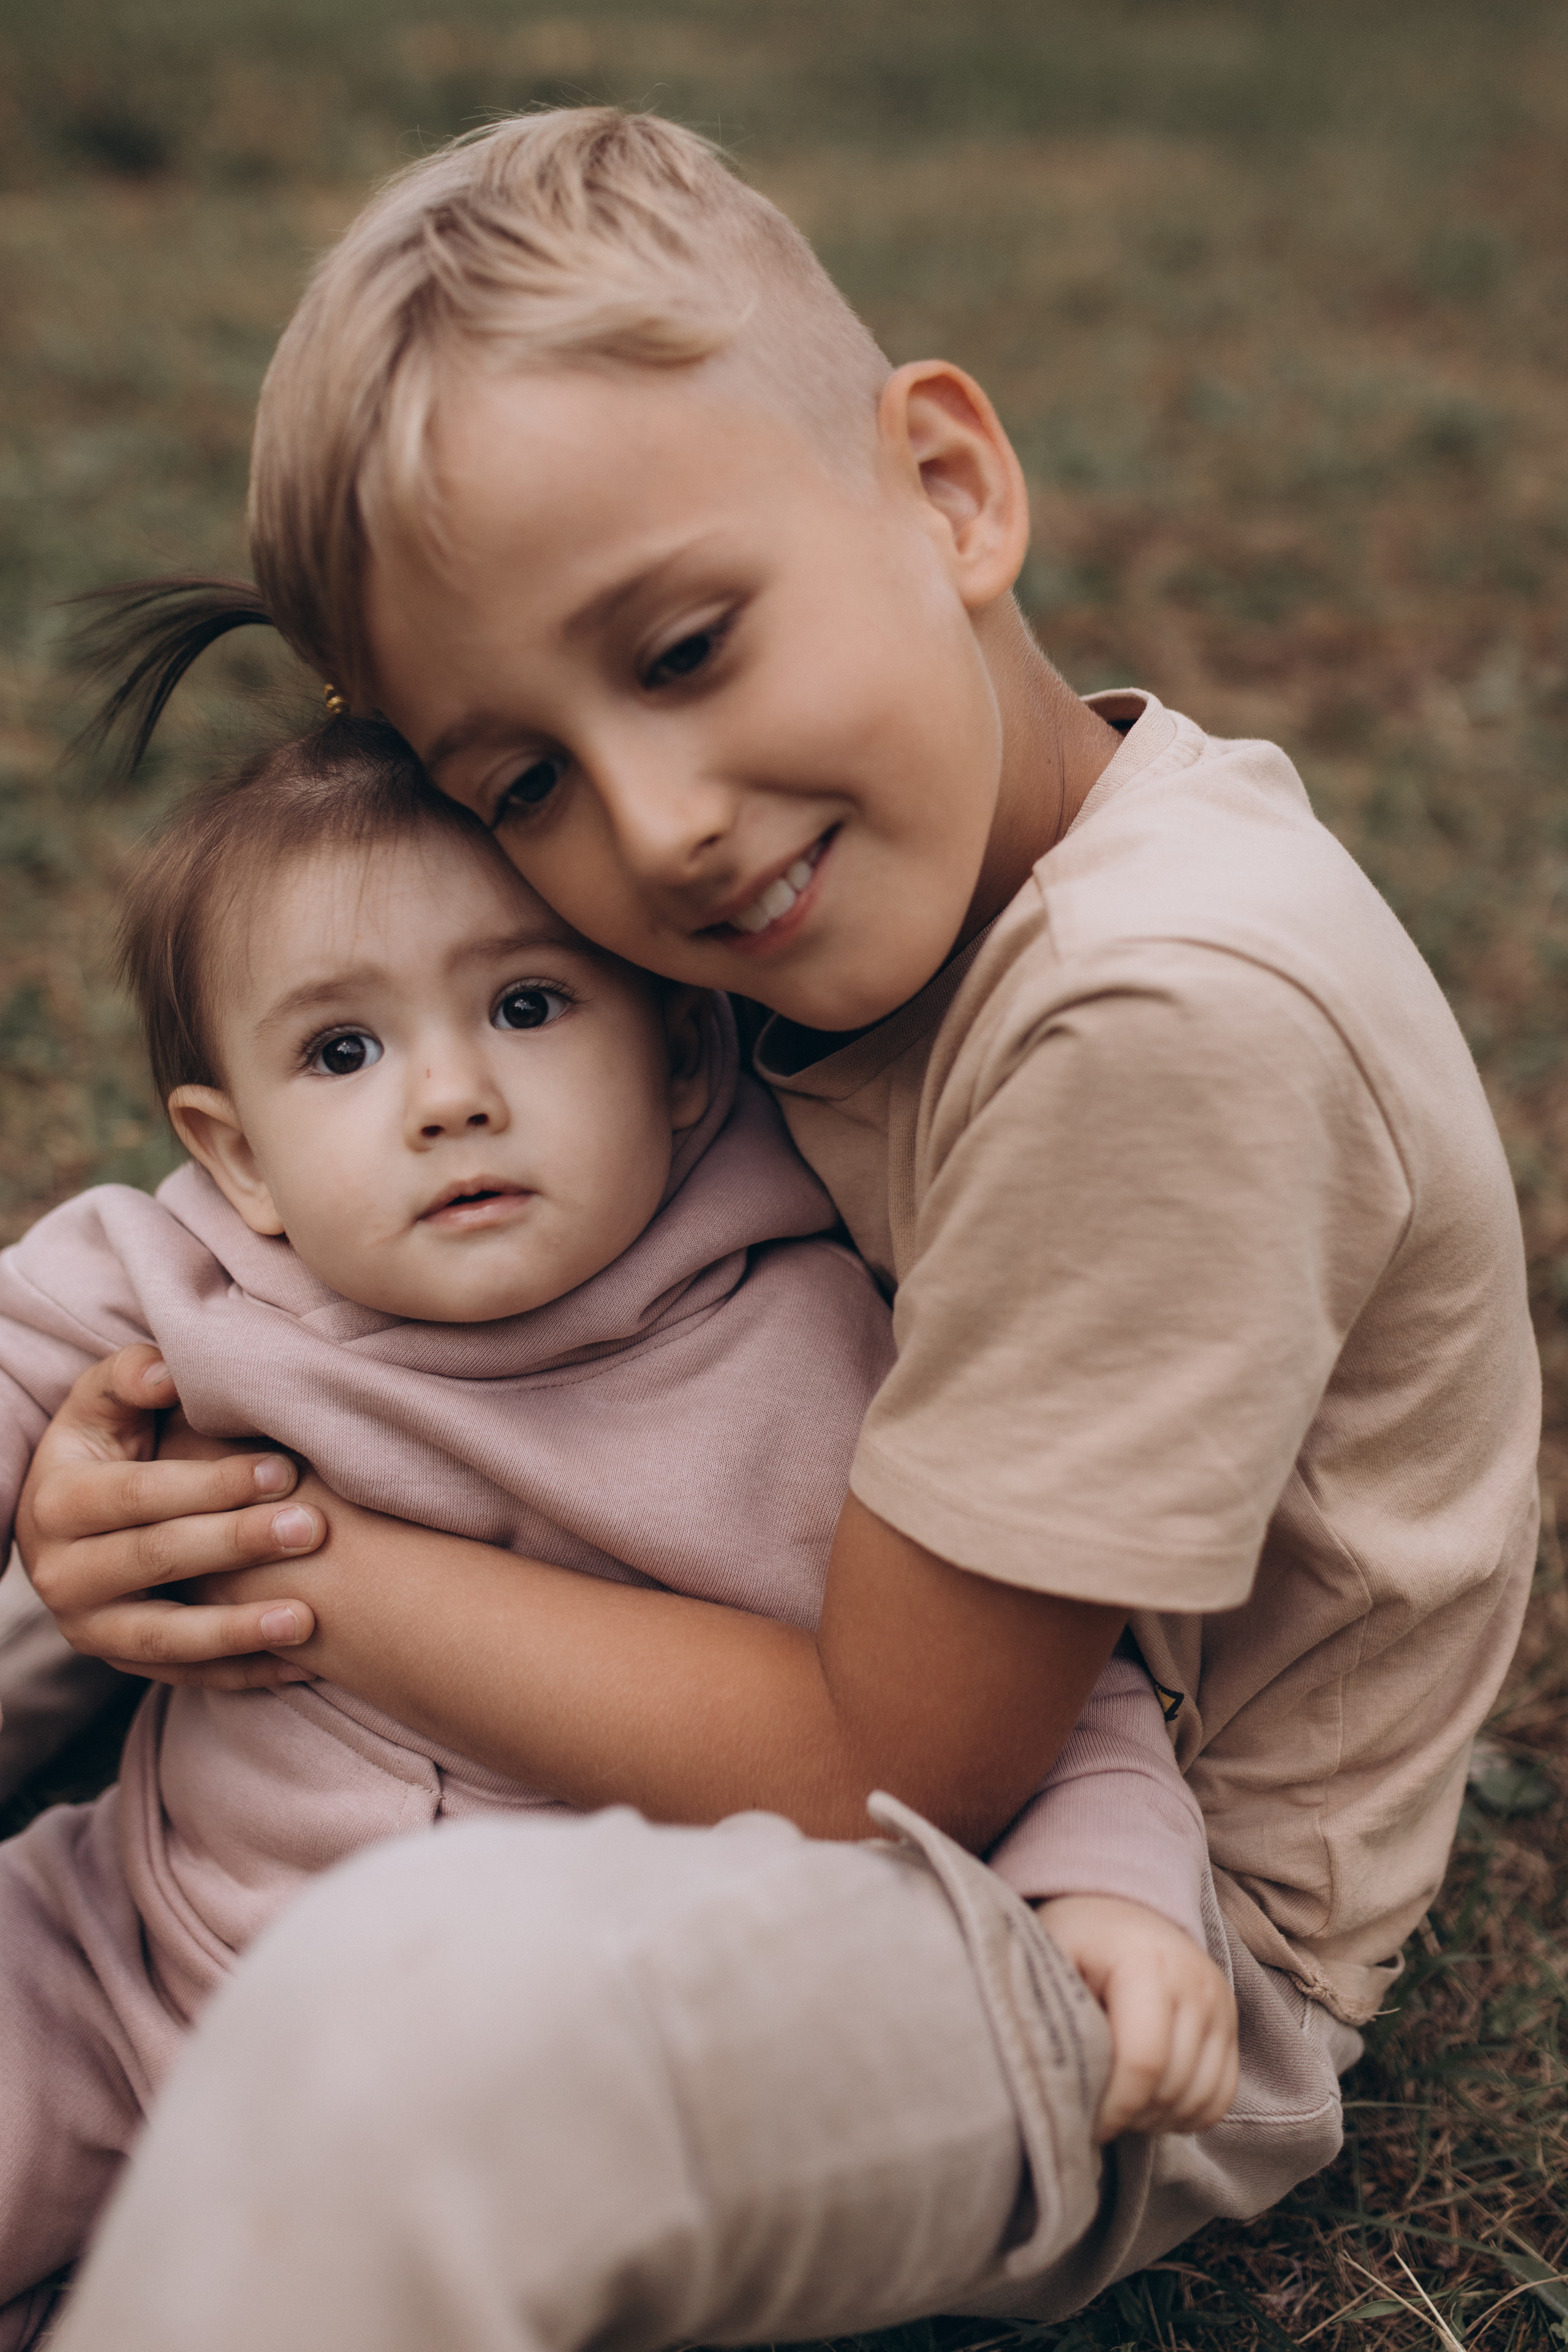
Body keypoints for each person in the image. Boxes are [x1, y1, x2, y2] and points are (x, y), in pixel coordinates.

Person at [19, 108, 1539, 2352]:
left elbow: (894, 1766)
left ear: (951, 490)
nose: (654, 831)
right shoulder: (833, 921)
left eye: (687, 648)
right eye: (517, 779)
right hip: (586, 1696)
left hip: (1073, 1937)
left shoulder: (1164, 1014)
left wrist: (267, 1553)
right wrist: (99, 1489)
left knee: (400, 2019)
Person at [0, 715, 1226, 2351]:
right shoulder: (189, 1272)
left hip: (480, 2069)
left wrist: (1111, 1896)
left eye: (525, 1007)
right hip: (117, 1953)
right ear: (238, 1155)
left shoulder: (809, 1354)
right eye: (342, 1053)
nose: (447, 1098)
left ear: (683, 1063)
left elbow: (1036, 1689)